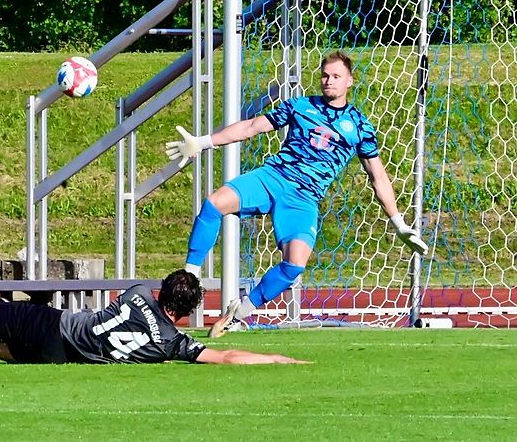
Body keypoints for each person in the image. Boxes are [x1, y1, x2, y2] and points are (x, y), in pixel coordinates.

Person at [164, 51, 429, 338]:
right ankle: (190, 275)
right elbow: (253, 126)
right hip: (273, 177)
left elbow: (378, 177)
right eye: (325, 75)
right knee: (214, 204)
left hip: (304, 198)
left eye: (336, 76)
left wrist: (399, 223)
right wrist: (203, 142)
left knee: (295, 265)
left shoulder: (360, 126)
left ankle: (239, 313)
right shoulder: (300, 106)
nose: (329, 81)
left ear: (350, 81)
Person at [0, 269, 306, 365]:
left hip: (58, 326)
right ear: (185, 313)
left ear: (160, 291)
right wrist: (279, 360)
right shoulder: (172, 344)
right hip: (59, 358)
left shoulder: (135, 293)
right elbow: (224, 357)